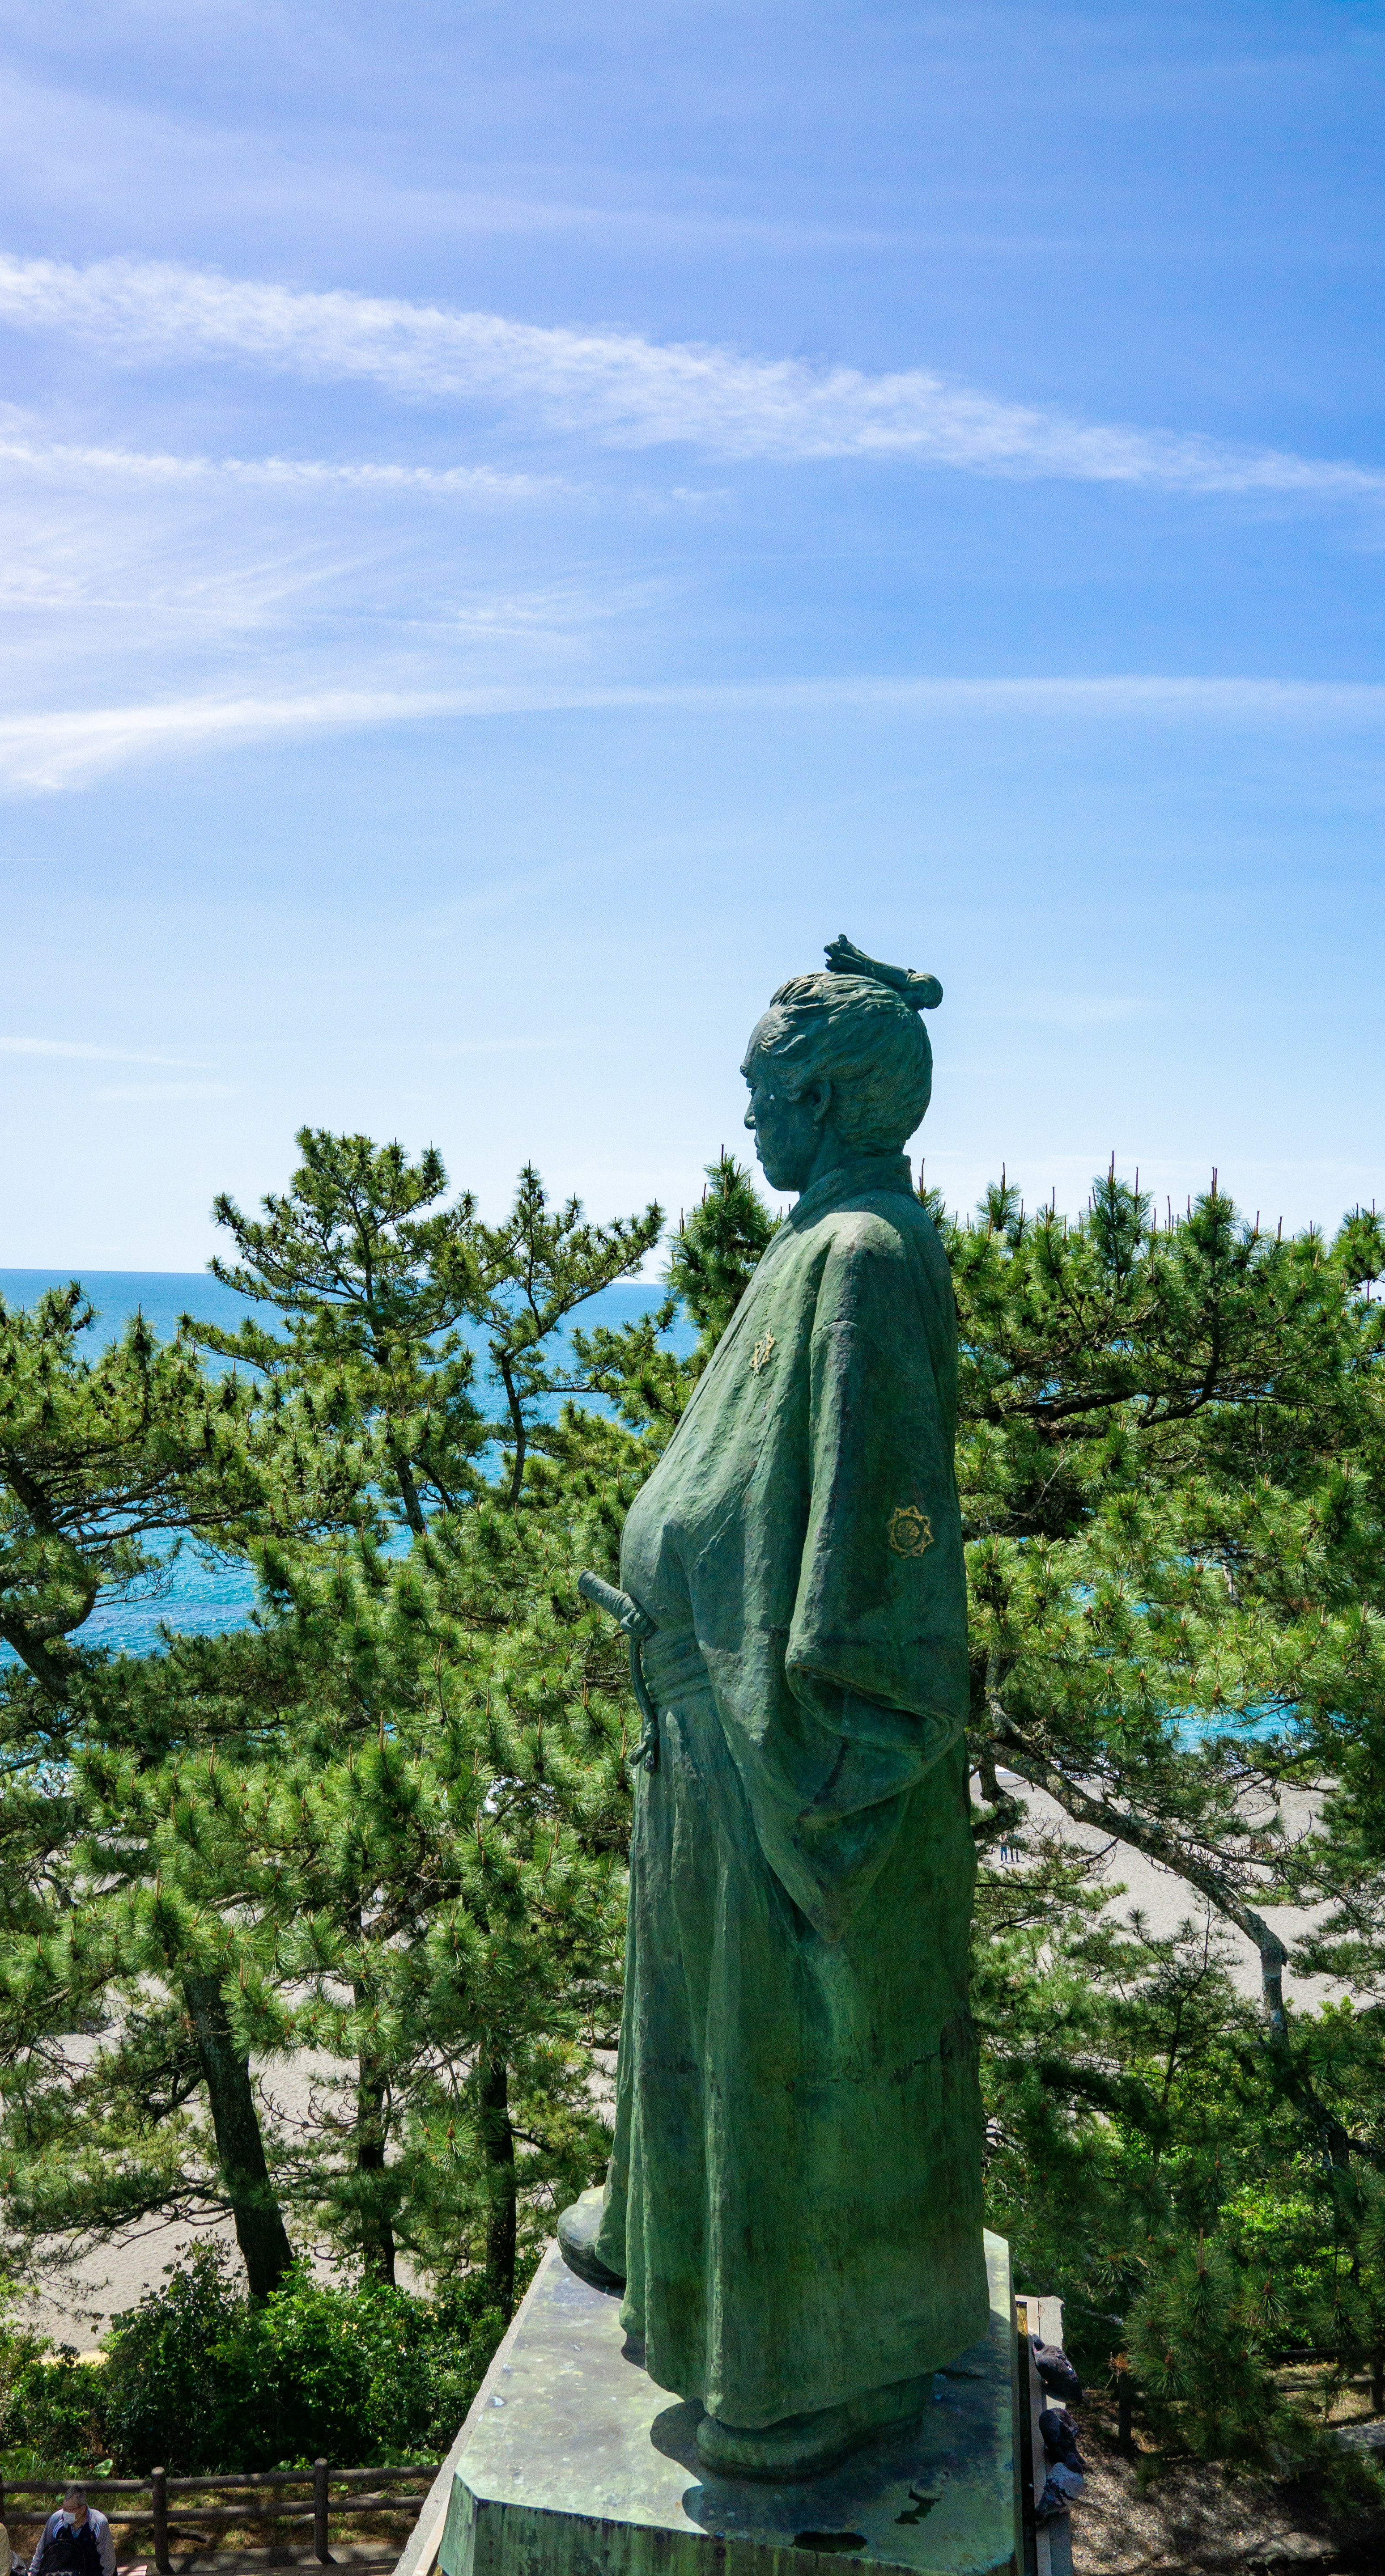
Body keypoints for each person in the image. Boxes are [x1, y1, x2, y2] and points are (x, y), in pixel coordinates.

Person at [559, 936, 989, 2481]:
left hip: (784, 1739)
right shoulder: (814, 1242)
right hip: (714, 1729)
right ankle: (691, 2272)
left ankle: (816, 2373)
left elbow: (874, 1528)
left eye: (766, 1092)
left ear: (835, 1096)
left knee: (790, 2053)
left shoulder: (863, 1254)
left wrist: (823, 1736)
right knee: (707, 2038)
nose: (747, 1120)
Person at [29, 2486, 115, 2576]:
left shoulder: (100, 2523)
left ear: (82, 2509)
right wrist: (33, 2573)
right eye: (64, 2508)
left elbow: (108, 2560)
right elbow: (41, 2550)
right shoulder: (56, 2520)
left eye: (70, 2509)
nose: (65, 2512)